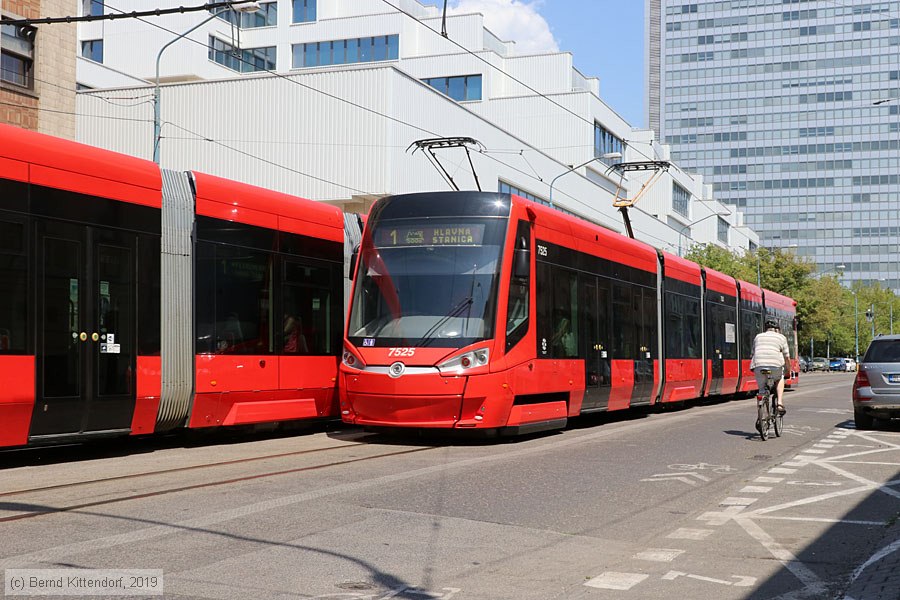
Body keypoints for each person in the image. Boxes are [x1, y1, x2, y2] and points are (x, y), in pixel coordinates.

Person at [750, 319, 791, 415]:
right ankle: (780, 403)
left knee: (761, 391)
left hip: (758, 365)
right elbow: (787, 357)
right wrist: (788, 371)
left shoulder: (758, 337)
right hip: (775, 366)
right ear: (777, 329)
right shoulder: (781, 337)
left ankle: (761, 411)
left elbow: (752, 354)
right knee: (780, 378)